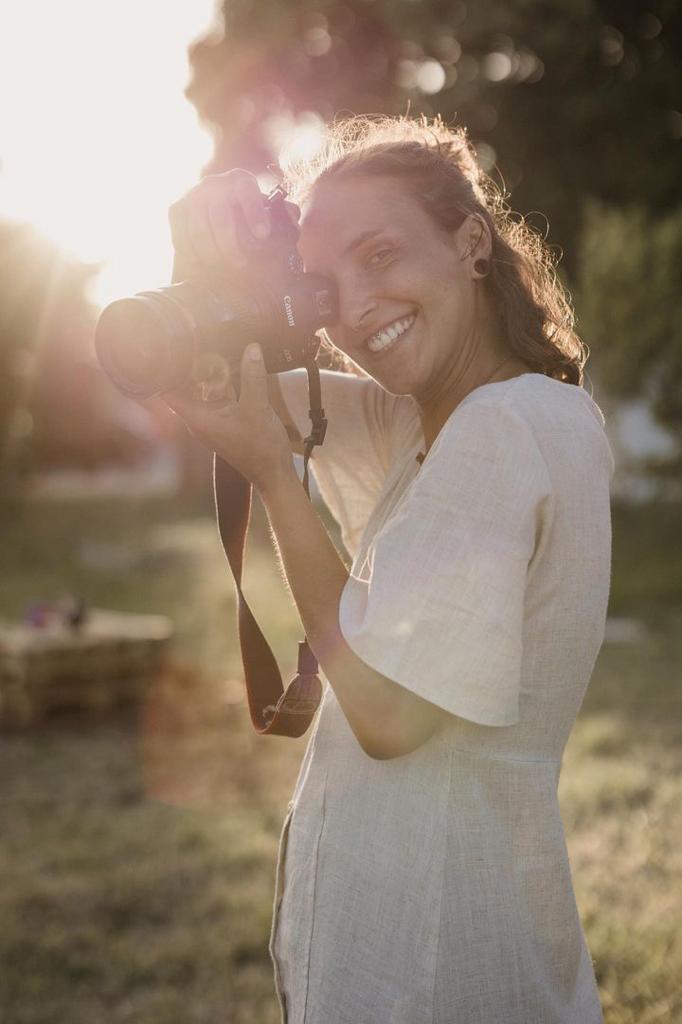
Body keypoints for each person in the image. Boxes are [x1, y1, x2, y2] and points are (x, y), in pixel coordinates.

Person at [165, 114, 614, 1024]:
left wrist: (277, 486)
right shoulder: (427, 421)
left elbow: (386, 714)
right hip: (412, 931)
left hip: (442, 956)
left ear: (471, 243)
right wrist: (202, 264)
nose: (359, 307)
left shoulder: (508, 424)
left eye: (382, 255)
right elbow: (196, 385)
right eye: (328, 289)